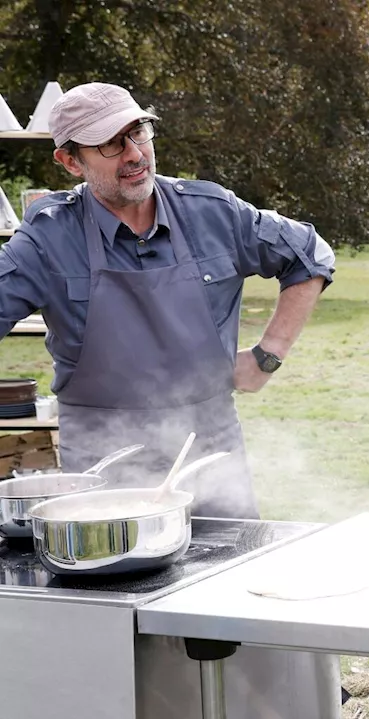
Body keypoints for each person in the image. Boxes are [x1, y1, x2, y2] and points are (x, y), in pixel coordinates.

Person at [0, 82, 341, 718]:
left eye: (139, 133)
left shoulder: (212, 210)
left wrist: (265, 357)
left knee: (225, 609)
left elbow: (309, 256)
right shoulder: (46, 239)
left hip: (208, 444)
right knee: (111, 622)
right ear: (69, 161)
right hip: (101, 465)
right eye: (109, 144)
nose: (134, 153)